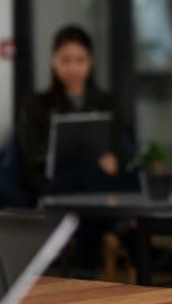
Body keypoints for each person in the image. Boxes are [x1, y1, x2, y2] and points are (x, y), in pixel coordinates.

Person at [18, 25, 125, 201]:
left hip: (98, 178)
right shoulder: (36, 104)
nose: (73, 68)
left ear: (90, 62)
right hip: (55, 182)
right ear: (54, 62)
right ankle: (110, 226)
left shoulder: (107, 103)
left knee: (96, 172)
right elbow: (30, 155)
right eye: (65, 61)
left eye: (80, 60)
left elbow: (117, 146)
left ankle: (107, 224)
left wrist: (112, 159)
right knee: (84, 172)